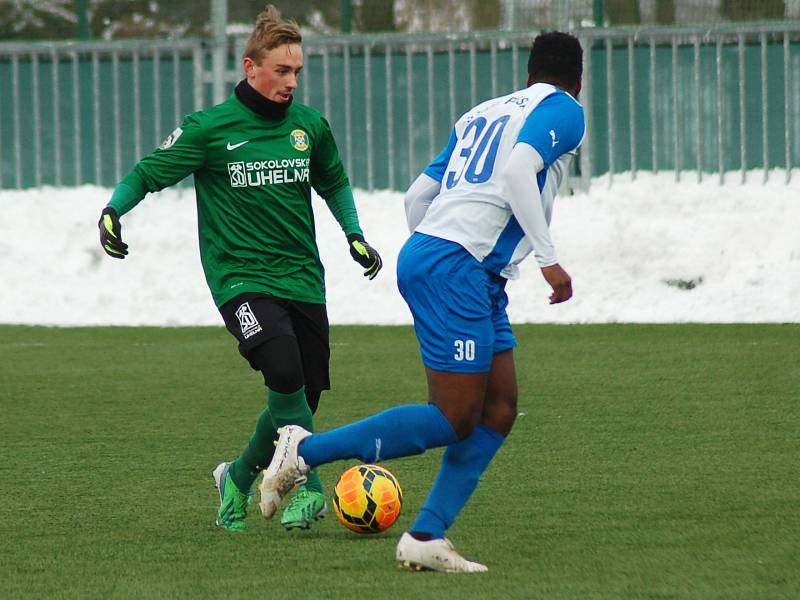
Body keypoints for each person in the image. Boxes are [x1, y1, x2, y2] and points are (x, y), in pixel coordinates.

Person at [259, 31, 586, 572]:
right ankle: (303, 452)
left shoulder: (483, 112)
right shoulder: (566, 109)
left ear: (527, 74)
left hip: (454, 263)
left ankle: (426, 535)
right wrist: (547, 260)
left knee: (498, 408)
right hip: (459, 266)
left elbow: (418, 196)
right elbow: (515, 172)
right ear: (577, 80)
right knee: (456, 415)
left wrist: (435, 249)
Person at [97, 5, 382, 533]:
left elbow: (334, 182)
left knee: (301, 397)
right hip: (240, 278)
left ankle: (238, 475)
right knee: (284, 370)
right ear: (251, 68)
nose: (291, 82)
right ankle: (310, 490)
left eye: (297, 71)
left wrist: (354, 233)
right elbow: (148, 173)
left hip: (303, 277)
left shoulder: (310, 127)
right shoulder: (210, 129)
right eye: (282, 71)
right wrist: (114, 210)